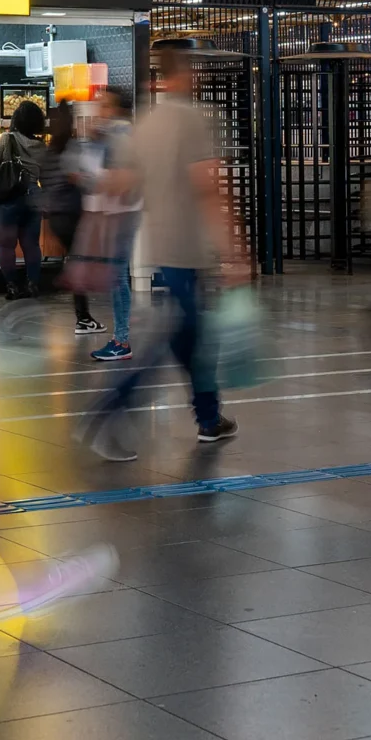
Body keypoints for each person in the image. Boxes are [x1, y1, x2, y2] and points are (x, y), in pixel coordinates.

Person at [79, 47, 248, 459]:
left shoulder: (144, 124)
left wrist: (93, 248)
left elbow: (117, 185)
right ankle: (111, 409)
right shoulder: (195, 119)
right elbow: (207, 189)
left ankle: (209, 418)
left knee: (191, 339)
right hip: (189, 251)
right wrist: (236, 251)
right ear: (181, 75)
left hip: (160, 248)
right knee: (172, 340)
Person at [82, 88, 139, 361]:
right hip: (120, 211)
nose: (98, 110)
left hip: (121, 212)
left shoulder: (120, 133)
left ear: (115, 107)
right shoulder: (116, 133)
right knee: (117, 275)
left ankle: (122, 340)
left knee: (117, 276)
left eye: (103, 105)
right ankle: (120, 337)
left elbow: (118, 178)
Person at [38, 104, 104, 334]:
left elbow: (44, 181)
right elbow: (78, 178)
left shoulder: (48, 151)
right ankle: (82, 316)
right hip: (72, 213)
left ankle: (83, 315)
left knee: (77, 261)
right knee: (79, 263)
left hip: (56, 216)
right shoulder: (71, 147)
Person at [0, 100, 50, 299]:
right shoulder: (41, 146)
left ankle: (12, 286)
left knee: (6, 246)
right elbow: (44, 178)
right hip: (32, 196)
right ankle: (33, 285)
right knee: (32, 245)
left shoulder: (6, 139)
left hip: (8, 197)